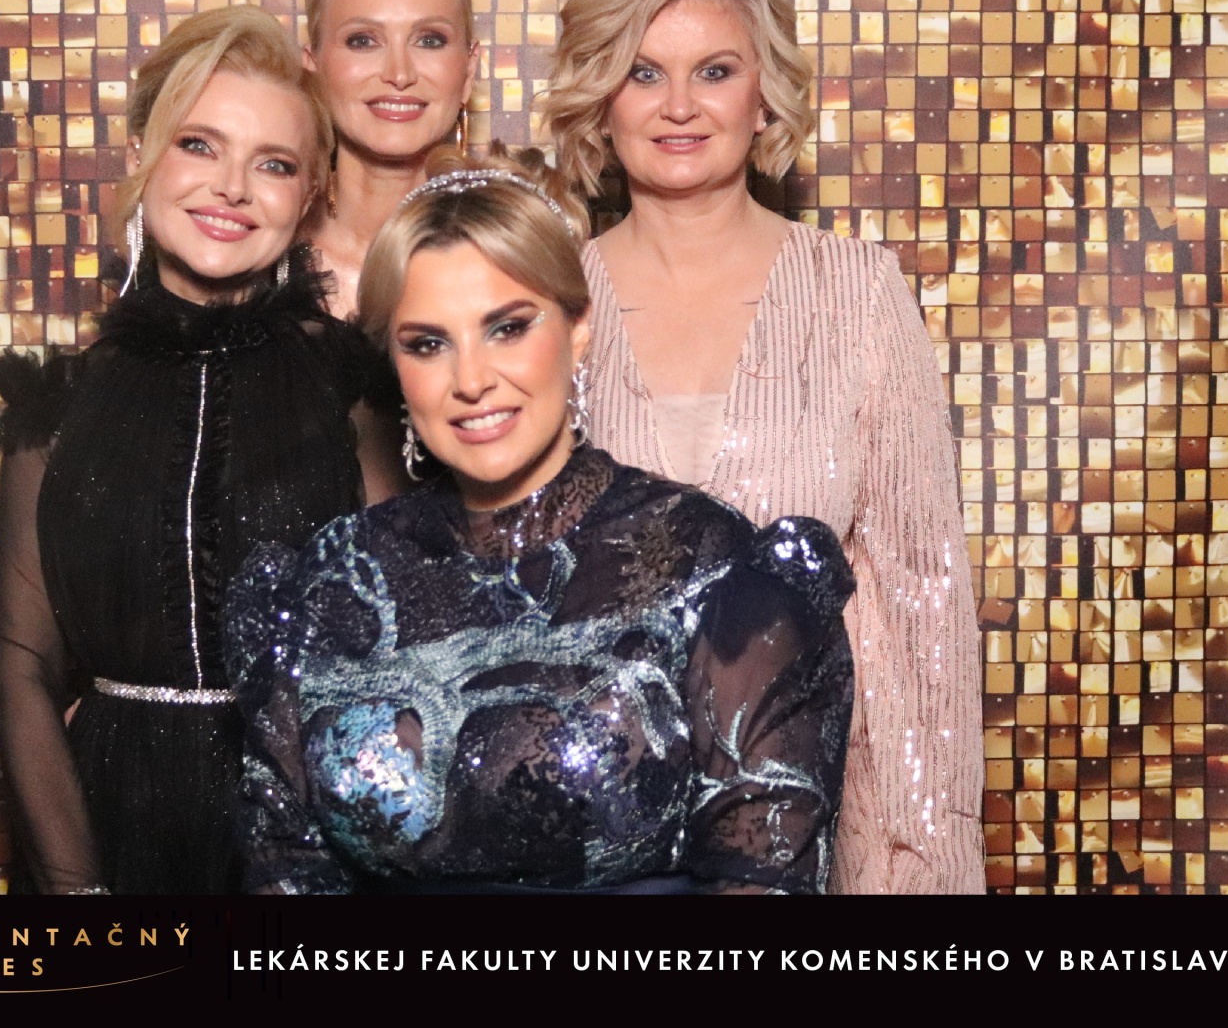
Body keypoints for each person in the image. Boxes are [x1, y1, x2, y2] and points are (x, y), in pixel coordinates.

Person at [228, 155, 854, 894]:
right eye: (427, 343)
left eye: (507, 328)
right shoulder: (332, 578)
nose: (470, 380)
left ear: (578, 327)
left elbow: (762, 874)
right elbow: (281, 860)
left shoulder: (709, 565)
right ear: (393, 364)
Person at [541, 0, 986, 894]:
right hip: (590, 842)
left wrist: (919, 859)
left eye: (715, 71)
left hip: (811, 831)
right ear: (602, 98)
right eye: (643, 73)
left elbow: (921, 598)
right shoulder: (544, 301)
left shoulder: (857, 293)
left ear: (763, 96)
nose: (679, 106)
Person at [0, 5, 402, 894]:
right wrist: (79, 899)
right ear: (143, 152)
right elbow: (23, 668)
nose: (232, 187)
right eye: (199, 145)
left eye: (273, 163)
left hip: (310, 848)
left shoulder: (352, 391)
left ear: (310, 192)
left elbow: (400, 655)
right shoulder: (59, 406)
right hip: (106, 832)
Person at [299, 0, 482, 318]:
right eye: (363, 40)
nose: (399, 74)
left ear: (469, 71)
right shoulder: (257, 260)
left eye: (429, 40)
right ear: (314, 68)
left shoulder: (516, 262)